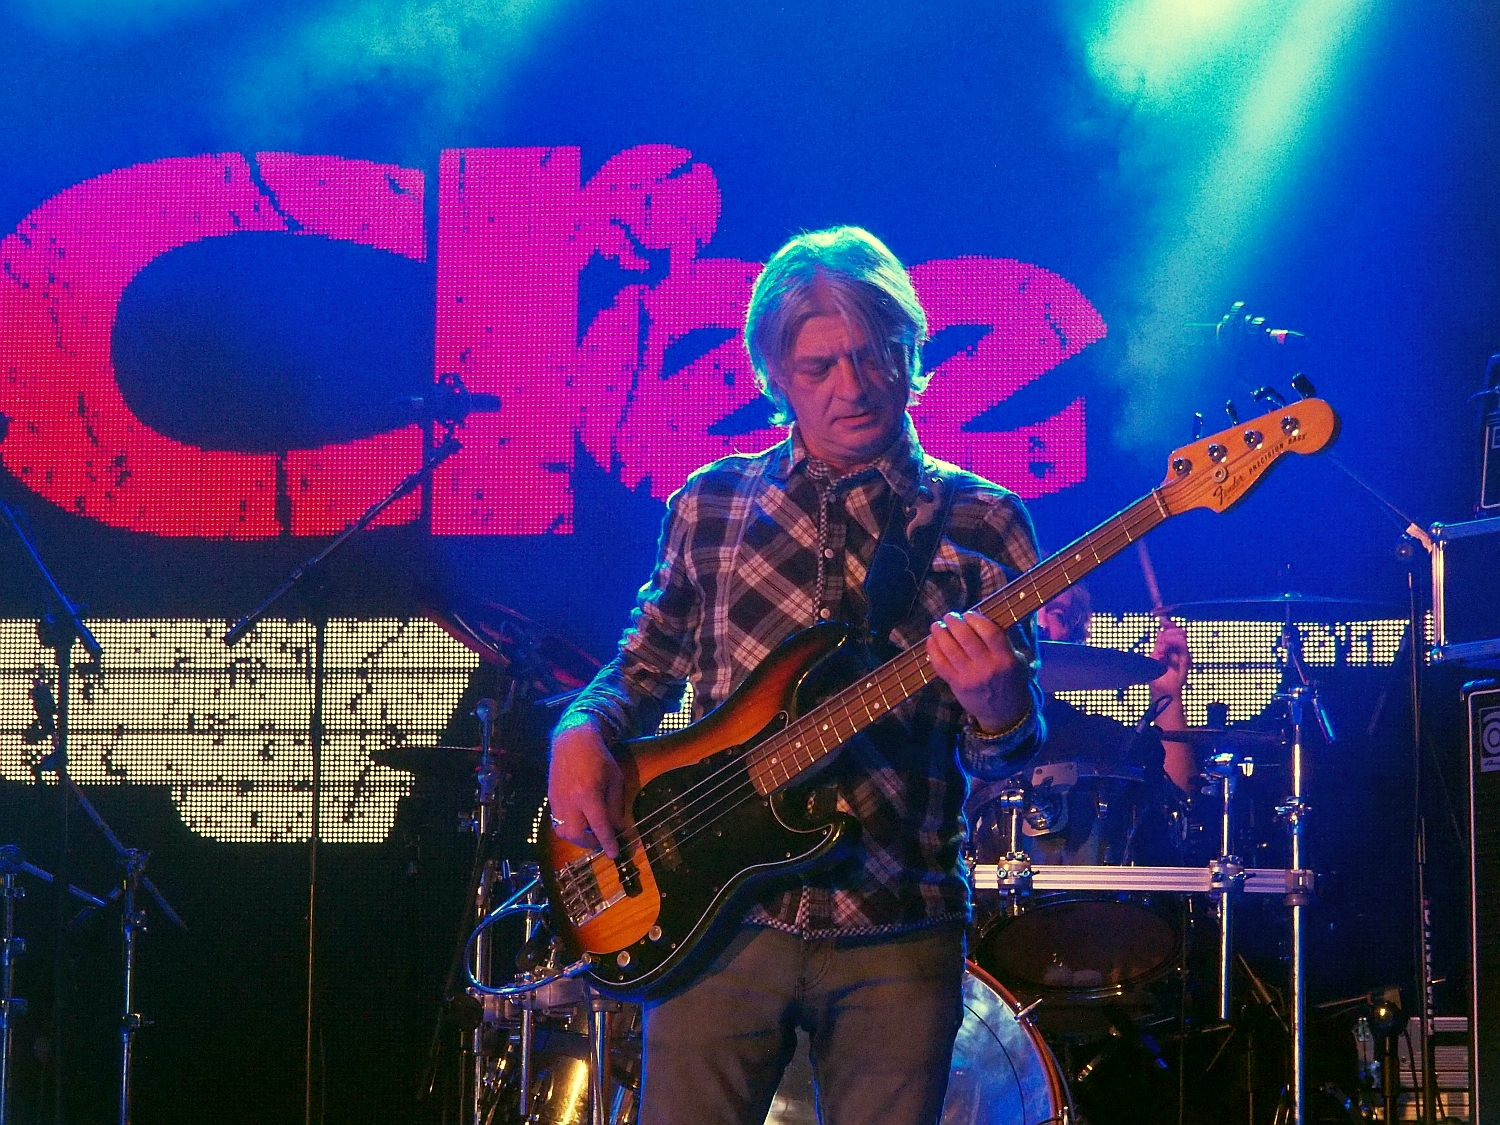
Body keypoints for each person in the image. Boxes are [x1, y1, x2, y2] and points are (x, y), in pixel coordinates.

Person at [546, 226, 1047, 1125]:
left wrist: (999, 705)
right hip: (714, 920)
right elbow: (640, 667)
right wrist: (580, 728)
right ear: (775, 375)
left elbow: (1006, 756)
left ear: (909, 352)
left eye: (873, 355)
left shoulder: (982, 520)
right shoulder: (711, 503)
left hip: (899, 916)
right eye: (819, 367)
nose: (852, 386)